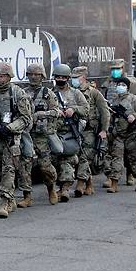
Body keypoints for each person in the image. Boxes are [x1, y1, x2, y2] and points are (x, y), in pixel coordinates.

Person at [0, 62, 32, 217]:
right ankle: (10, 199)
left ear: (9, 76)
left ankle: (4, 201)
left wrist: (9, 128)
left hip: (11, 137)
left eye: (2, 76)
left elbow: (25, 118)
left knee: (9, 168)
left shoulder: (17, 93)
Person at [17, 63, 61, 206]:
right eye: (31, 74)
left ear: (42, 76)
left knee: (45, 166)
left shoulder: (48, 94)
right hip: (26, 135)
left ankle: (51, 189)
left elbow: (56, 112)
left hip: (41, 136)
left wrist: (41, 114)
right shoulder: (22, 93)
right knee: (25, 165)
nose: (33, 77)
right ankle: (27, 196)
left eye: (36, 75)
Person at [51, 64, 88, 202]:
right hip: (54, 133)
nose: (60, 79)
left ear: (67, 78)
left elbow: (85, 109)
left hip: (70, 132)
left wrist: (74, 109)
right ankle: (59, 187)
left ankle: (65, 188)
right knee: (54, 161)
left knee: (68, 159)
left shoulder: (76, 93)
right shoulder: (49, 93)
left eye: (63, 77)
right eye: (57, 77)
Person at [103, 77, 136, 193]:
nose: (120, 87)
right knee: (116, 159)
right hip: (118, 135)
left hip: (131, 135)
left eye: (122, 84)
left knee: (134, 159)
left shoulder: (134, 99)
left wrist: (135, 116)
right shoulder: (115, 100)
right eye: (118, 84)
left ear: (127, 87)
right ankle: (114, 183)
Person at [72, 66, 109, 196]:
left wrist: (104, 130)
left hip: (89, 131)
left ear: (83, 78)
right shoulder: (71, 92)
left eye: (76, 78)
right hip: (74, 129)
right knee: (75, 157)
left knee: (85, 157)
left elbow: (104, 111)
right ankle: (89, 183)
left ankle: (80, 183)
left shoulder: (94, 93)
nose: (73, 80)